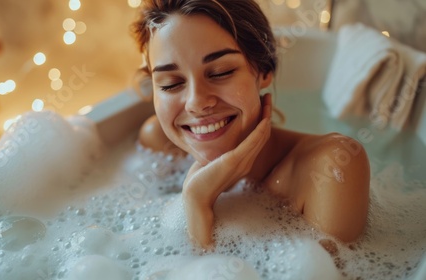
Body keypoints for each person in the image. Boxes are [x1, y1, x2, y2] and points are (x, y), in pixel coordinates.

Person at [132, 0, 370, 250]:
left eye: (221, 72)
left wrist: (196, 204)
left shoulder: (331, 166)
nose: (197, 103)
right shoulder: (158, 142)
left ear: (264, 70)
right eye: (170, 83)